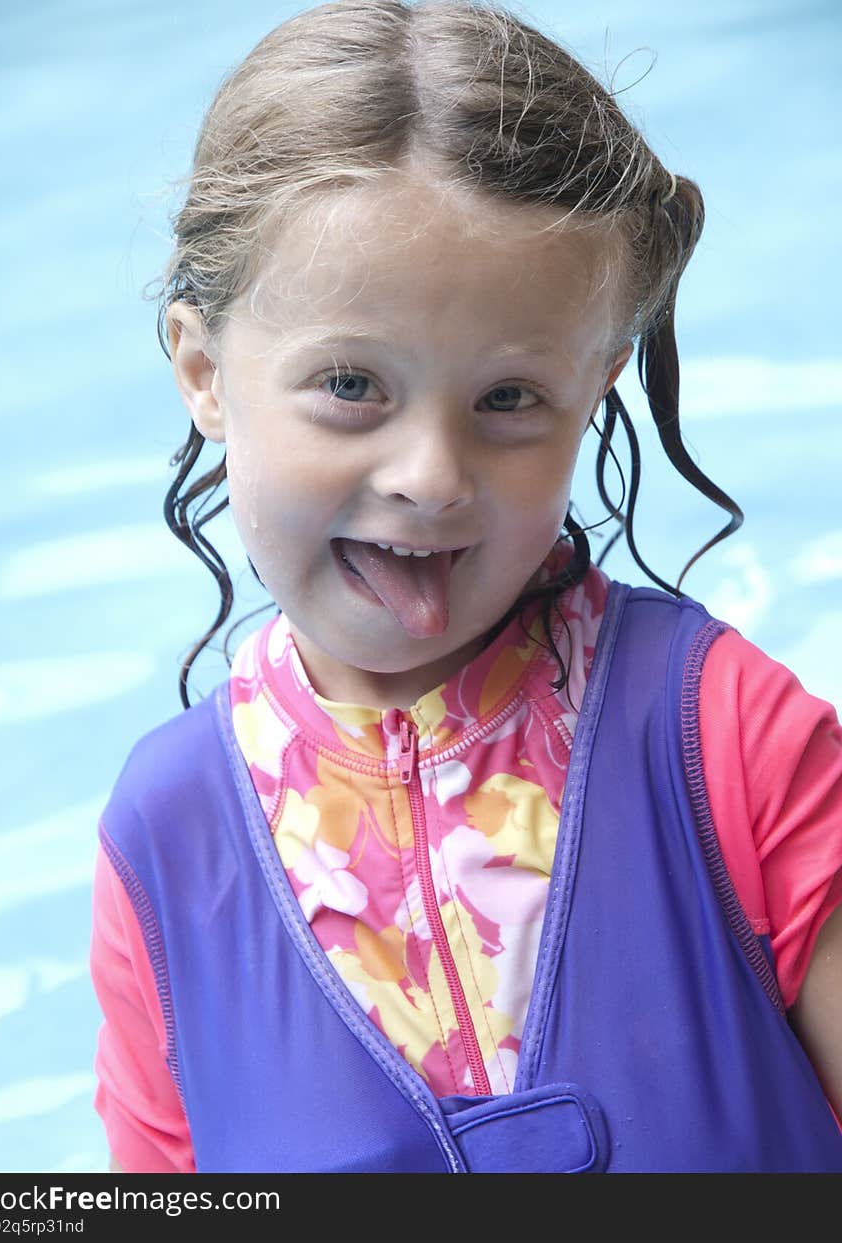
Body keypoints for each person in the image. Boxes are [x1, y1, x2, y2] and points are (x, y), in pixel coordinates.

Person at [90, 0, 842, 1173]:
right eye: (350, 384)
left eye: (507, 400)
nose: (431, 477)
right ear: (202, 370)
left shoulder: (727, 742)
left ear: (591, 391)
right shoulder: (168, 841)